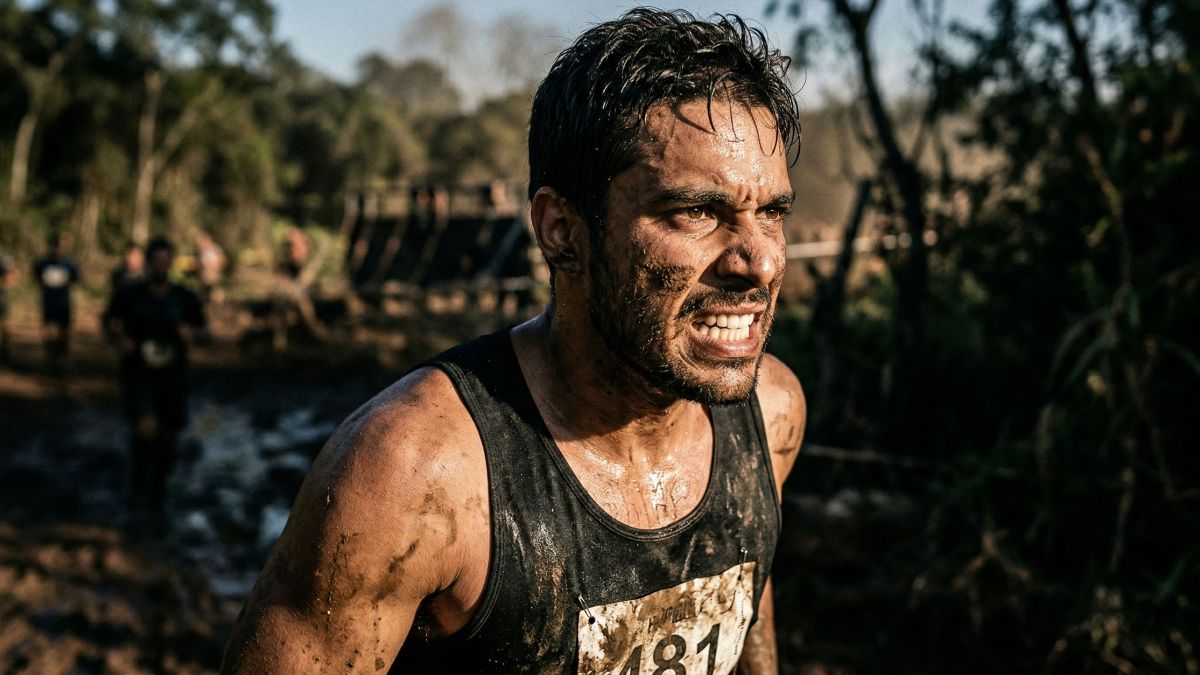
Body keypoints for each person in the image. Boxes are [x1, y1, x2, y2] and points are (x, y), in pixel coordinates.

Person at [223, 8, 806, 673]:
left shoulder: (771, 414)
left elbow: (746, 606)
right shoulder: (416, 474)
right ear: (561, 229)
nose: (759, 261)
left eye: (772, 212)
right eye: (698, 211)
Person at [104, 237, 208, 516]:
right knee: (144, 429)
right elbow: (109, 322)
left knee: (168, 436)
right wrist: (121, 338)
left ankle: (158, 492)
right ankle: (138, 489)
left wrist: (192, 334)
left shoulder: (184, 297)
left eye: (166, 261)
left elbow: (203, 330)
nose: (161, 266)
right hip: (139, 372)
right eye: (157, 261)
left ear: (171, 264)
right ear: (149, 263)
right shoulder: (130, 294)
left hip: (173, 376)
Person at [33, 232, 80, 371]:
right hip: (48, 301)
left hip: (63, 302)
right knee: (48, 330)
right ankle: (49, 357)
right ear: (51, 246)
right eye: (56, 246)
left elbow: (76, 278)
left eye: (61, 246)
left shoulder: (69, 264)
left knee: (64, 332)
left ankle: (62, 359)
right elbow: (35, 277)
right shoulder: (43, 263)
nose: (59, 249)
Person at [0, 246, 18, 363]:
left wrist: (4, 284)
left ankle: (4, 352)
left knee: (3, 325)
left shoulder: (3, 258)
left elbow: (12, 274)